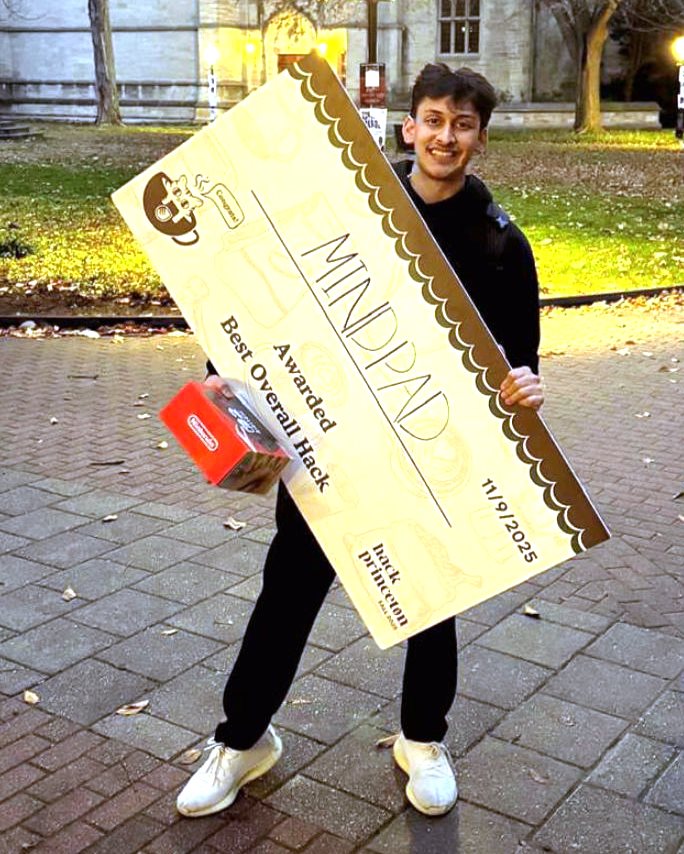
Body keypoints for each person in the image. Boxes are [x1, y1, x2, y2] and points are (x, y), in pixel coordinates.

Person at [176, 63, 544, 819]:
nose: (446, 136)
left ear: (479, 137)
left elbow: (520, 363)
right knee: (286, 597)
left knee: (436, 597)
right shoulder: (354, 208)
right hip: (327, 451)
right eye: (433, 119)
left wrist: (527, 387)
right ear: (409, 128)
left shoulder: (503, 245)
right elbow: (273, 296)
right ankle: (243, 740)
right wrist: (221, 373)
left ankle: (422, 739)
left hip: (427, 465)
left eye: (463, 124)